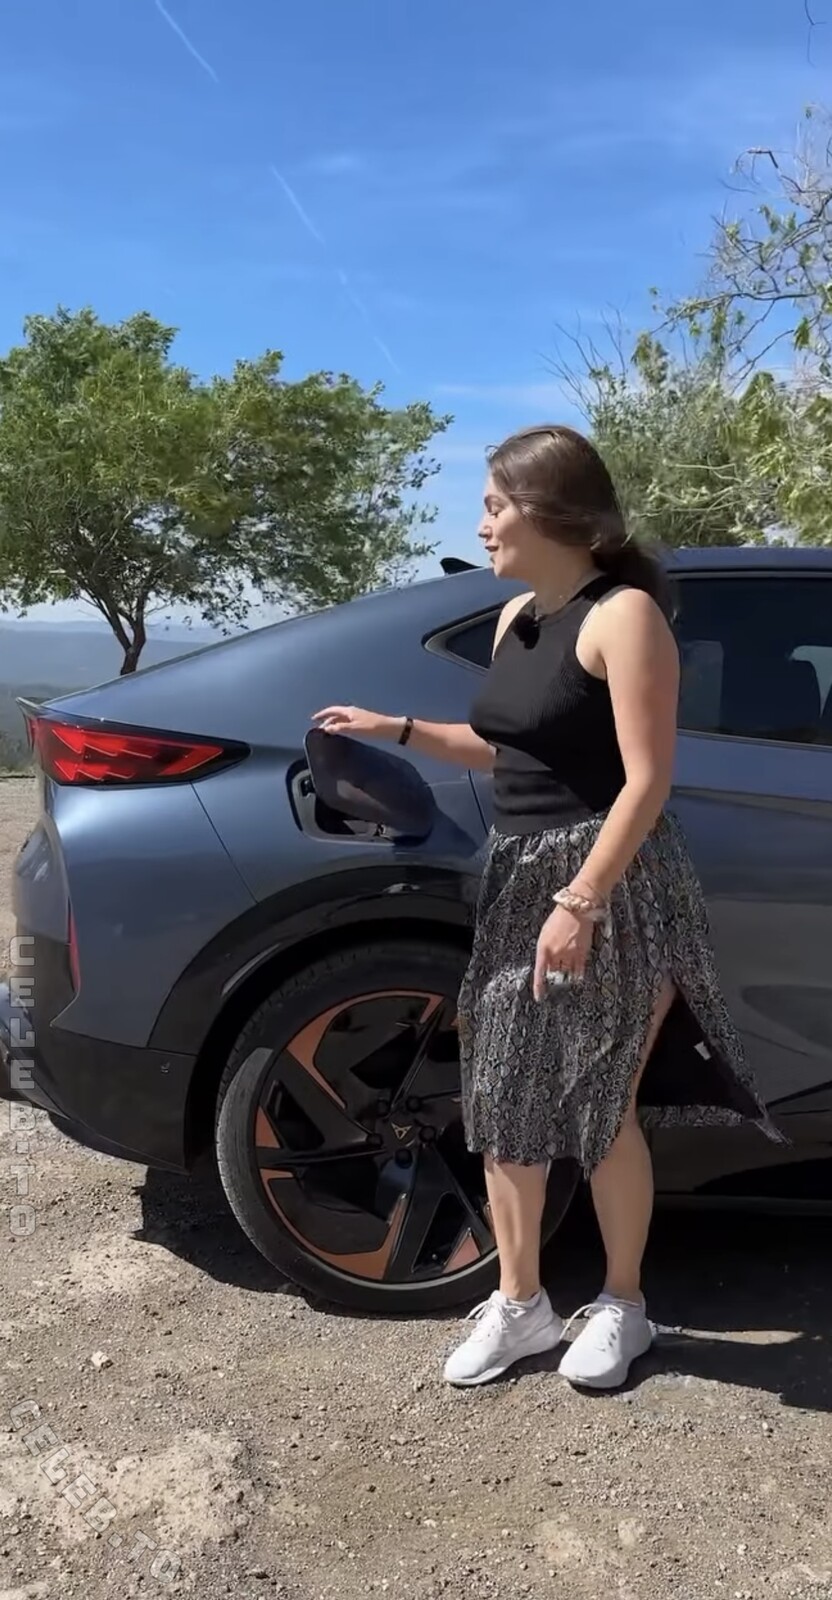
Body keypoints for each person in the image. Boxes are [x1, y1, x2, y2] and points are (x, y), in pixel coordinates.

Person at [312, 423, 779, 1392]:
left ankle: (623, 1305)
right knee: (501, 1095)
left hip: (610, 879)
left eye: (495, 505)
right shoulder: (516, 618)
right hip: (522, 873)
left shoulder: (624, 617)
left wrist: (582, 899)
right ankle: (521, 1305)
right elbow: (510, 750)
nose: (481, 524)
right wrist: (397, 728)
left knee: (597, 1101)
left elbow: (646, 781)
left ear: (555, 511)